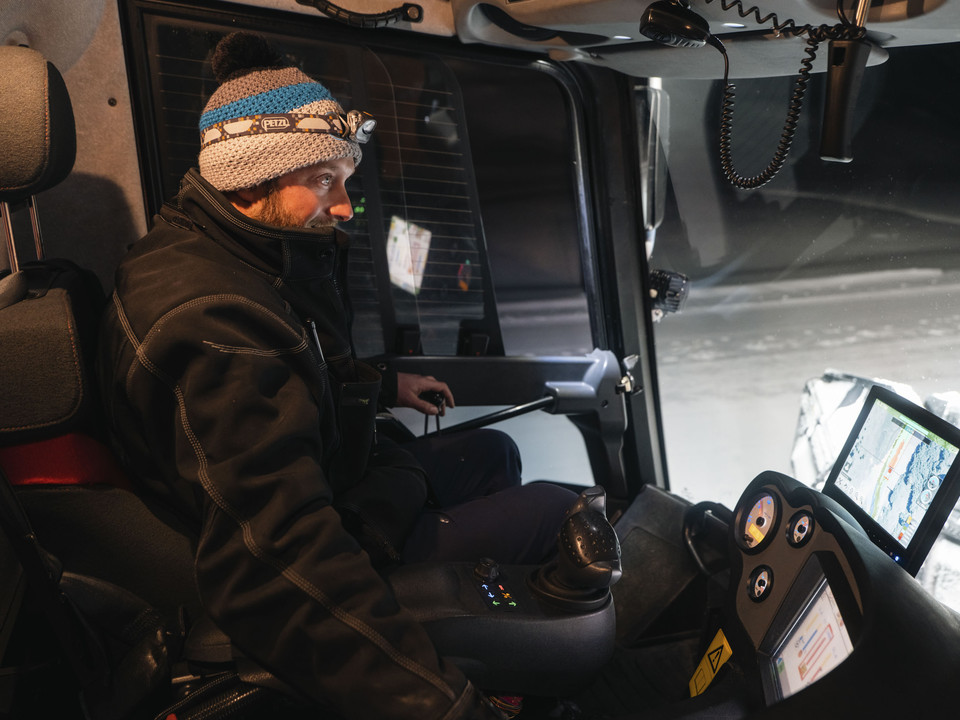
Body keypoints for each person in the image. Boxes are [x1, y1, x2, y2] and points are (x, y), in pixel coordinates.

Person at [98, 31, 578, 720]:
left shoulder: (226, 255)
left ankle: (487, 626)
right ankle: (483, 646)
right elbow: (276, 559)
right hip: (326, 544)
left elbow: (300, 356)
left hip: (335, 482)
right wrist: (443, 703)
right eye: (326, 180)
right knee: (555, 512)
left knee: (492, 451)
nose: (348, 205)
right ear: (251, 176)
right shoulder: (215, 325)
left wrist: (381, 385)